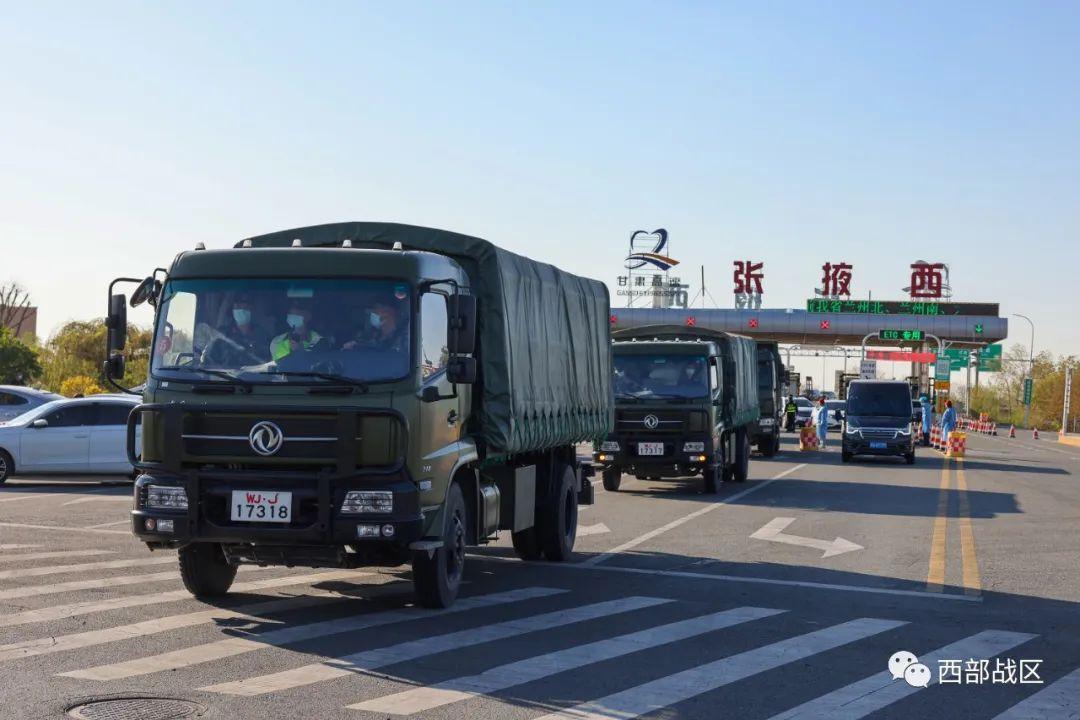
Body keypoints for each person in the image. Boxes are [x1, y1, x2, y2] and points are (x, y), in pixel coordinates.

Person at [202, 294, 270, 365]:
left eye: (245, 307)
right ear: (232, 310)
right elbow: (209, 363)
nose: (241, 310)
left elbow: (269, 364)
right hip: (224, 376)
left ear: (251, 309)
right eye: (238, 306)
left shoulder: (262, 335)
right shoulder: (221, 335)